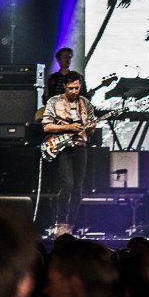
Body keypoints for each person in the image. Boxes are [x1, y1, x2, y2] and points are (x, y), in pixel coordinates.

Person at [42, 71, 96, 236]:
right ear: (65, 85)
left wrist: (90, 128)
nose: (74, 91)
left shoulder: (85, 103)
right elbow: (47, 127)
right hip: (63, 148)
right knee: (67, 185)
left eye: (77, 88)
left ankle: (71, 226)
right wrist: (69, 127)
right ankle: (60, 224)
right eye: (71, 88)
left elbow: (91, 131)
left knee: (78, 188)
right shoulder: (54, 102)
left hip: (81, 146)